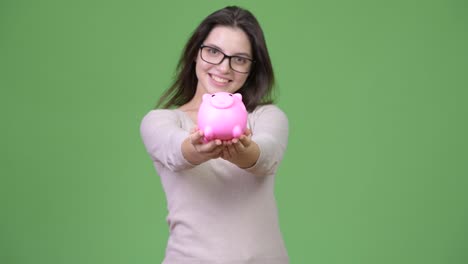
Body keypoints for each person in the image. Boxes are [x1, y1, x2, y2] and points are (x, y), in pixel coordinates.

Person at [140, 6, 289, 264]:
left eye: (239, 59)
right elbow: (176, 151)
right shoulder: (161, 121)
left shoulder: (266, 116)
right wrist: (196, 148)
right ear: (195, 54)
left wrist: (244, 152)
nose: (224, 67)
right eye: (213, 52)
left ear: (252, 68)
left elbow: (267, 155)